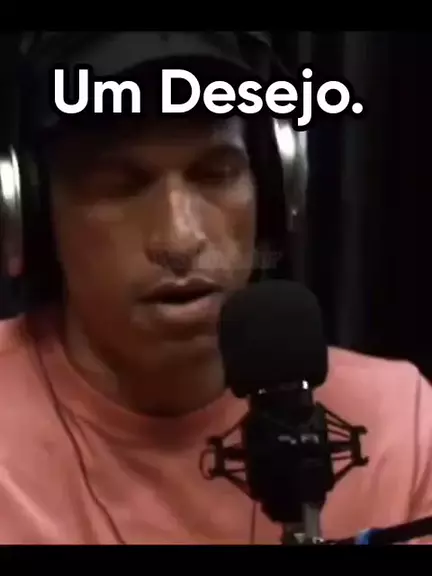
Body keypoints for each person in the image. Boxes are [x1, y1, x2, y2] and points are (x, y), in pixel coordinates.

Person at [0, 31, 431, 545]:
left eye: (216, 174)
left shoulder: (397, 429)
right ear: (32, 212)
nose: (179, 239)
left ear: (273, 190)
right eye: (119, 186)